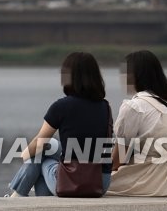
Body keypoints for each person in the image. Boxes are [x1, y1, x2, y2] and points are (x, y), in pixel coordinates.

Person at [7, 51, 113, 197]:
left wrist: (24, 156)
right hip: (102, 182)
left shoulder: (62, 106)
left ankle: (17, 196)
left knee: (40, 156)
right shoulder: (105, 107)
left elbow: (39, 142)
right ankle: (25, 197)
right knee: (49, 145)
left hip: (73, 182)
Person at [107, 49, 167, 196]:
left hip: (151, 180)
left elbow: (118, 160)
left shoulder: (134, 106)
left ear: (134, 76)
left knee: (83, 182)